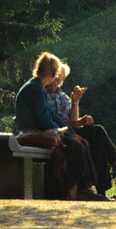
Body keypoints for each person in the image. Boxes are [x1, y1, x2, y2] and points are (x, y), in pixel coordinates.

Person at [14, 51, 103, 200]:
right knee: (75, 146)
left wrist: (72, 132)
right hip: (31, 133)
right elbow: (45, 121)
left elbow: (52, 116)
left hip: (39, 131)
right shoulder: (34, 90)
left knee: (76, 143)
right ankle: (80, 189)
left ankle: (80, 189)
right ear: (53, 73)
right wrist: (68, 134)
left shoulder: (37, 88)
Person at [52, 63, 116, 198]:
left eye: (62, 77)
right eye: (58, 76)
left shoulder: (63, 96)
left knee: (99, 146)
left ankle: (102, 192)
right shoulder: (45, 95)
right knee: (97, 131)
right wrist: (79, 122)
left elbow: (73, 121)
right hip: (59, 133)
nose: (60, 79)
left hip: (70, 131)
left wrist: (75, 101)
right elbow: (53, 121)